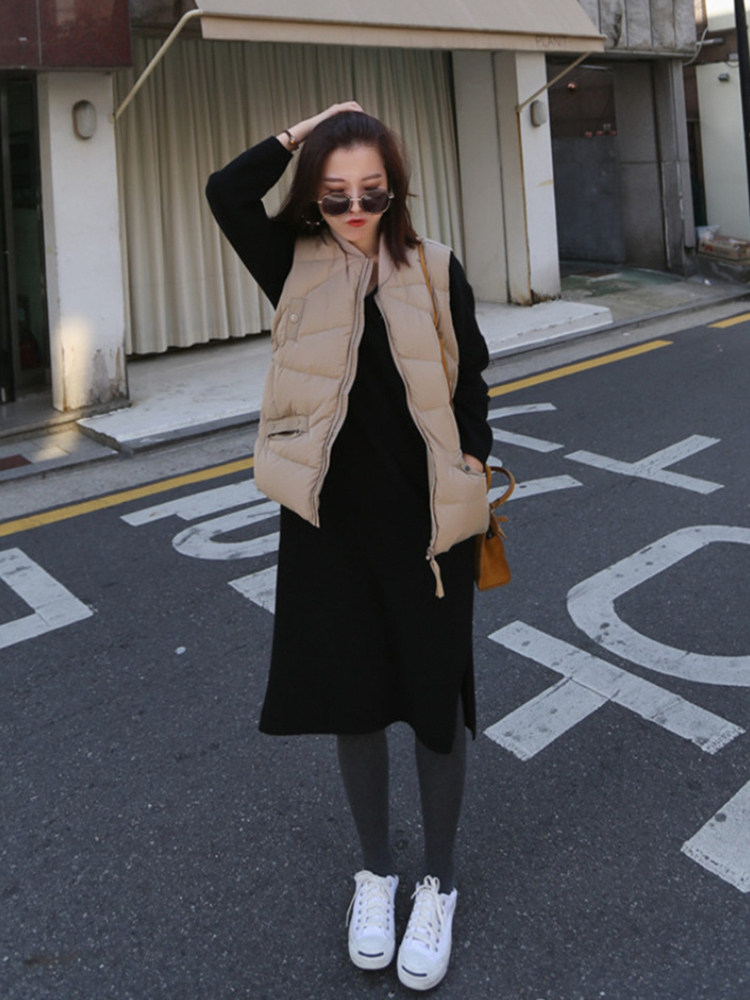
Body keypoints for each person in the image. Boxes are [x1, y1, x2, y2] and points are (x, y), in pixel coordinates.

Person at [206, 101, 493, 991]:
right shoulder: (292, 263)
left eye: (372, 191)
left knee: (435, 709)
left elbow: (472, 378)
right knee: (355, 704)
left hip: (427, 528)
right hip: (327, 529)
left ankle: (438, 883)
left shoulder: (435, 266)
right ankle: (377, 875)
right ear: (313, 198)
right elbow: (226, 192)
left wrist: (472, 464)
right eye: (335, 195)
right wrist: (311, 127)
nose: (356, 209)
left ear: (395, 189)